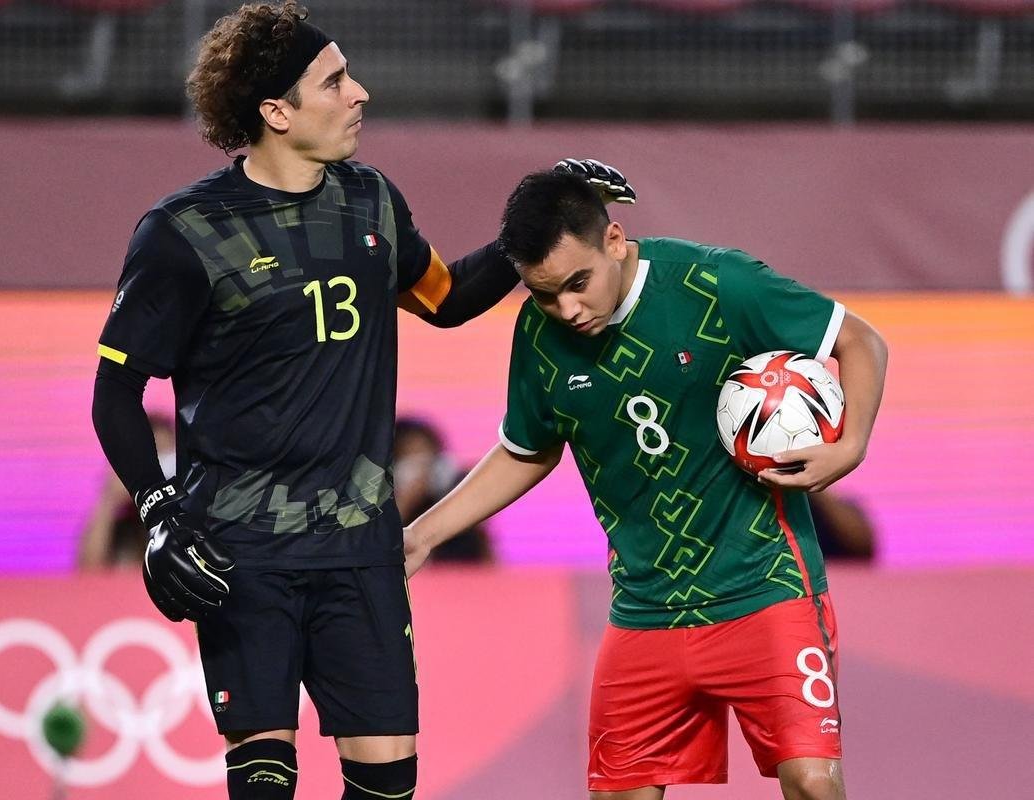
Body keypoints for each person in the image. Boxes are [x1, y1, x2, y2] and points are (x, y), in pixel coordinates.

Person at [89, 3, 633, 798]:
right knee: (265, 781)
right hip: (242, 549)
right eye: (334, 81)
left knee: (387, 785)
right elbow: (116, 390)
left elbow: (444, 298)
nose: (359, 93)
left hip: (359, 544)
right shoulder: (184, 231)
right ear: (276, 112)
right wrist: (159, 511)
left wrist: (536, 227)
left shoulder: (370, 199)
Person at [404, 169, 889, 800]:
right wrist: (421, 535)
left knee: (813, 783)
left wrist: (849, 446)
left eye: (578, 284)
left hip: (766, 591)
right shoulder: (538, 337)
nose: (567, 310)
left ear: (613, 239)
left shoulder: (715, 284)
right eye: (545, 295)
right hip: (644, 611)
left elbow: (858, 340)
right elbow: (528, 451)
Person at [78, 411, 176, 569]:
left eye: (168, 458)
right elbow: (89, 571)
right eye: (154, 459)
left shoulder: (191, 517)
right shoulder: (121, 530)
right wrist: (109, 498)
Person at [393, 416, 491, 564]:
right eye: (411, 454)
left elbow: (482, 545)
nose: (421, 465)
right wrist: (405, 502)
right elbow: (379, 541)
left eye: (426, 452)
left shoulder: (458, 485)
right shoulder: (380, 494)